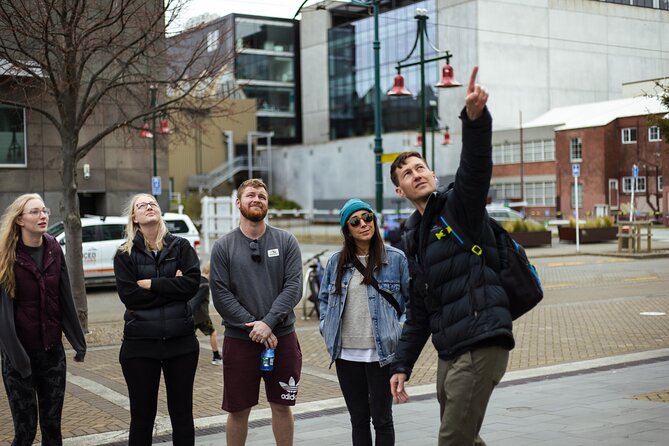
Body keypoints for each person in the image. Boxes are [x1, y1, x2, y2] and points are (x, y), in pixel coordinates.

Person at [388, 66, 515, 445]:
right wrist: (402, 365)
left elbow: (475, 169)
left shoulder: (458, 207)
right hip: (451, 349)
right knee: (465, 437)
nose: (416, 174)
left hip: (481, 338)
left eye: (420, 167)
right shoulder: (413, 238)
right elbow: (419, 311)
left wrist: (474, 120)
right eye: (407, 174)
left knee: (452, 439)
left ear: (431, 173)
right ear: (401, 190)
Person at [209, 178, 303, 446]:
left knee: (282, 406)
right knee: (238, 411)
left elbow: (294, 287)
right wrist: (255, 327)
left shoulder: (286, 241)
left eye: (262, 195)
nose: (257, 199)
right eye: (250, 195)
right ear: (238, 203)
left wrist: (269, 323)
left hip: (281, 339)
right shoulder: (223, 247)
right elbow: (221, 295)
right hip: (240, 341)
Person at [318, 198, 409, 446]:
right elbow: (324, 301)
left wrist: (397, 331)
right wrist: (327, 327)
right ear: (347, 229)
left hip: (381, 355)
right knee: (358, 420)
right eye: (355, 221)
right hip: (346, 355)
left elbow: (412, 304)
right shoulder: (336, 262)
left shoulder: (396, 259)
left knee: (382, 419)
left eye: (367, 217)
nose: (363, 224)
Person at [113, 194, 201, 446]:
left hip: (181, 344)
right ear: (134, 217)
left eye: (153, 203)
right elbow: (131, 297)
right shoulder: (124, 254)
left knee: (182, 415)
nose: (149, 206)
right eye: (142, 205)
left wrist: (152, 284)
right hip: (140, 345)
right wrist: (173, 287)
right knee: (142, 418)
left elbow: (192, 285)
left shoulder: (181, 247)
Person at [0, 193, 86, 446]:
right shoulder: (7, 255)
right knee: (25, 432)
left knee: (52, 429)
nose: (43, 216)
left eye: (44, 211)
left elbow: (64, 298)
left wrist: (78, 341)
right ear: (20, 220)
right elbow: (3, 315)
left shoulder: (53, 248)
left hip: (52, 355)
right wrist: (18, 360)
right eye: (35, 212)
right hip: (19, 357)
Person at [188, 261, 222, 365]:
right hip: (201, 316)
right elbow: (196, 301)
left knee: (189, 336)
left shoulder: (196, 281)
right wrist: (190, 313)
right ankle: (216, 356)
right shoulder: (205, 285)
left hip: (194, 316)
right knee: (213, 333)